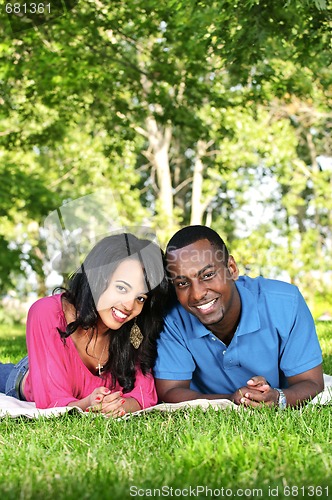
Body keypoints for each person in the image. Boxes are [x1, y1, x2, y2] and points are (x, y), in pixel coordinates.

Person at [154, 225, 324, 408]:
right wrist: (233, 399)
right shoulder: (173, 318)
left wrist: (277, 398)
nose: (196, 294)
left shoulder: (285, 303)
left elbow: (311, 382)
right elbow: (170, 390)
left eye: (208, 275)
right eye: (182, 283)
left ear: (232, 269)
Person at [0, 233, 169, 417]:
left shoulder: (133, 329)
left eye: (140, 298)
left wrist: (123, 405)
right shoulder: (48, 312)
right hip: (23, 378)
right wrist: (88, 404)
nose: (129, 306)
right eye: (121, 288)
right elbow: (52, 402)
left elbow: (145, 393)